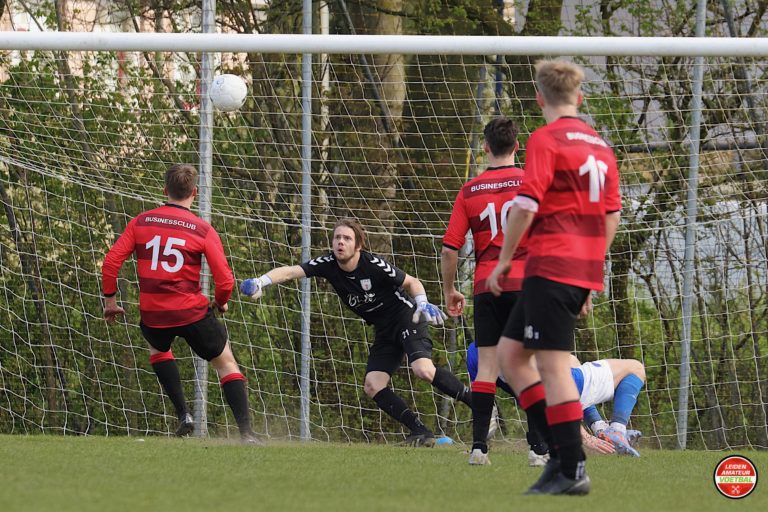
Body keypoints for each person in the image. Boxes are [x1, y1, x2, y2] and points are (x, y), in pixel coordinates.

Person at [487, 59, 621, 495]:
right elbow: (612, 213)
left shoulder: (547, 139)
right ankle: (564, 454)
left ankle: (570, 464)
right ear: (579, 99)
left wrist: (506, 259)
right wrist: (591, 273)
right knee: (510, 356)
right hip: (575, 268)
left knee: (551, 364)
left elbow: (526, 206)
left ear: (540, 98)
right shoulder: (600, 146)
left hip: (551, 265)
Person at [240, 218, 471, 447]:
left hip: (407, 318)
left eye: (347, 238)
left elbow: (412, 282)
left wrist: (422, 302)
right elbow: (291, 272)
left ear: (358, 245)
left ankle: (478, 403)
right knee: (373, 385)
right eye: (337, 238)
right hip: (384, 329)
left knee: (422, 370)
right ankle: (420, 431)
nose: (340, 242)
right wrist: (261, 281)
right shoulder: (328, 264)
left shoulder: (373, 264)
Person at [102, 164, 258, 443]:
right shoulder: (202, 229)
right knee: (226, 363)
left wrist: (110, 301)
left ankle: (184, 414)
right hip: (191, 312)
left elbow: (111, 261)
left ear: (165, 191)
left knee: (159, 350)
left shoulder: (141, 221)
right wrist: (221, 303)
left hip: (153, 314)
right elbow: (225, 280)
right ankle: (246, 433)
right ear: (194, 193)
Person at [440, 116, 527, 466]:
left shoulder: (469, 191)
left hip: (486, 285)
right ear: (517, 146)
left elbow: (450, 249)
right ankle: (538, 449)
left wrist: (449, 291)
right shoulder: (532, 184)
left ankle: (479, 448)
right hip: (525, 284)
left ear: (486, 147)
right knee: (530, 365)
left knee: (487, 367)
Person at [466, 342, 643, 457]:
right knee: (635, 368)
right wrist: (581, 435)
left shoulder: (475, 352)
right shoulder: (522, 337)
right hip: (569, 387)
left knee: (571, 359)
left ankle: (600, 427)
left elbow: (485, 394)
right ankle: (616, 429)